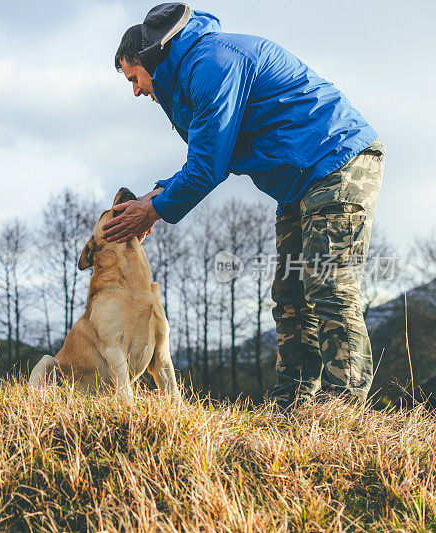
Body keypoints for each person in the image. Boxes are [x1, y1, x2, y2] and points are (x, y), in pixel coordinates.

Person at [102, 3, 384, 407]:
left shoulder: (213, 65)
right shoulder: (190, 74)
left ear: (151, 57)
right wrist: (155, 196)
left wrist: (154, 210)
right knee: (290, 296)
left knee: (329, 287)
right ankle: (293, 405)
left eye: (133, 77)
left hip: (338, 161)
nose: (135, 90)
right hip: (299, 182)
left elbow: (207, 166)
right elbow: (213, 152)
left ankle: (343, 409)